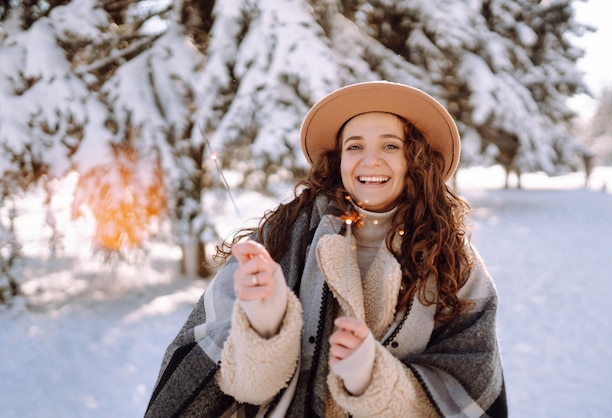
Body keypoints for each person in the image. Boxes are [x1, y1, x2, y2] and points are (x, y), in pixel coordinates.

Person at [145, 81, 507, 417]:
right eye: (354, 146)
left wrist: (373, 377)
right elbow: (241, 388)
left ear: (416, 159)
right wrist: (265, 324)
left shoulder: (454, 263)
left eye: (390, 145)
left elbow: (468, 387)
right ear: (338, 160)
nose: (370, 160)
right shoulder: (280, 240)